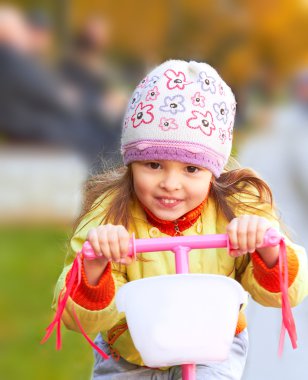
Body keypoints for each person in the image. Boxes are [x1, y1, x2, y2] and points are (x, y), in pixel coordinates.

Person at [42, 60, 308, 379]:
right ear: (131, 163)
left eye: (191, 169)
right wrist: (96, 264)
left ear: (213, 170)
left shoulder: (238, 210)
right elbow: (76, 317)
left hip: (212, 349)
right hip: (130, 355)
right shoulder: (111, 215)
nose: (170, 183)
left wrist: (265, 248)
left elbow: (287, 292)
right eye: (153, 164)